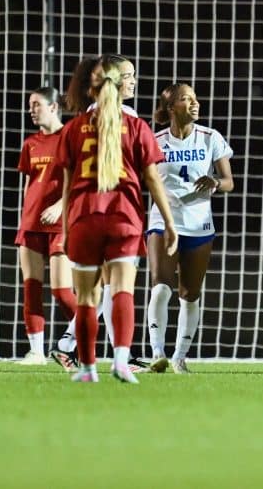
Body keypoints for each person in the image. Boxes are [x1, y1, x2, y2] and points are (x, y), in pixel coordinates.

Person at [56, 55, 178, 383]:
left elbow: (67, 185)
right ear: (115, 84)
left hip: (83, 217)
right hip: (124, 217)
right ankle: (122, 362)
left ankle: (86, 368)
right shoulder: (135, 125)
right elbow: (152, 179)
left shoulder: (73, 128)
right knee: (122, 290)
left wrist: (65, 229)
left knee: (86, 297)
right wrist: (168, 222)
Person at [145, 83, 234, 375]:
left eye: (196, 98)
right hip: (163, 222)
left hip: (199, 224)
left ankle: (180, 357)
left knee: (190, 293)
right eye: (186, 99)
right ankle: (157, 354)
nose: (195, 103)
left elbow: (229, 182)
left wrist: (216, 183)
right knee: (160, 287)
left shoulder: (211, 138)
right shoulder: (155, 140)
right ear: (171, 108)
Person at [65, 53, 145, 369]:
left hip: (87, 213)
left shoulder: (85, 119)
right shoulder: (122, 116)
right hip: (114, 212)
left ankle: (98, 352)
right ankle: (115, 356)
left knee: (102, 289)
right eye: (127, 75)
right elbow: (144, 171)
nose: (132, 80)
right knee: (112, 287)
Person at [14, 86, 77, 367]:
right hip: (31, 224)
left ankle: (82, 338)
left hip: (62, 223)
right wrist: (24, 216)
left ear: (54, 107)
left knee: (62, 291)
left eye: (36, 104)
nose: (31, 110)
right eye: (30, 105)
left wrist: (60, 206)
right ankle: (36, 353)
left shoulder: (71, 137)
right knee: (31, 287)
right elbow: (30, 183)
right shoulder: (31, 143)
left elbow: (78, 180)